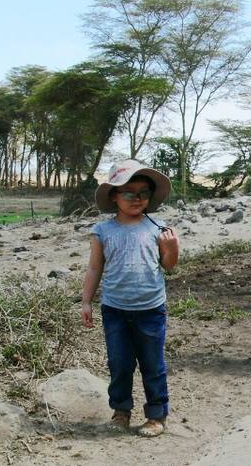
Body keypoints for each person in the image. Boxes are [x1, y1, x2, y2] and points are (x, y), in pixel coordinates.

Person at [81, 159, 179, 437]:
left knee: (153, 364)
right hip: (114, 310)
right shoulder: (103, 231)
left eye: (144, 193)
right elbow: (94, 268)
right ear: (114, 196)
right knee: (120, 363)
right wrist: (86, 301)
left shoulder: (158, 228)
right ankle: (121, 412)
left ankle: (157, 415)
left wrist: (172, 247)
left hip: (151, 308)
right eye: (129, 192)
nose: (137, 198)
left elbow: (169, 265)